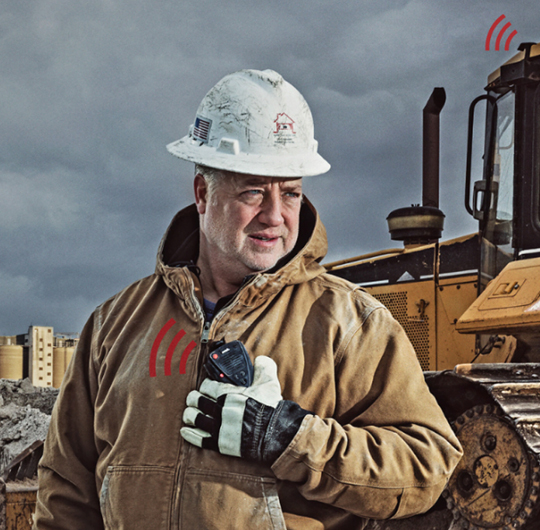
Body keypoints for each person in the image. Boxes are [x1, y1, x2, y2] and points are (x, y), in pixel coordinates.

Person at [34, 69, 463, 529]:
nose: (275, 216)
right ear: (203, 193)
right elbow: (66, 486)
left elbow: (426, 467)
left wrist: (291, 439)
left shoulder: (348, 324)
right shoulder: (115, 324)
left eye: (291, 193)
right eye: (254, 191)